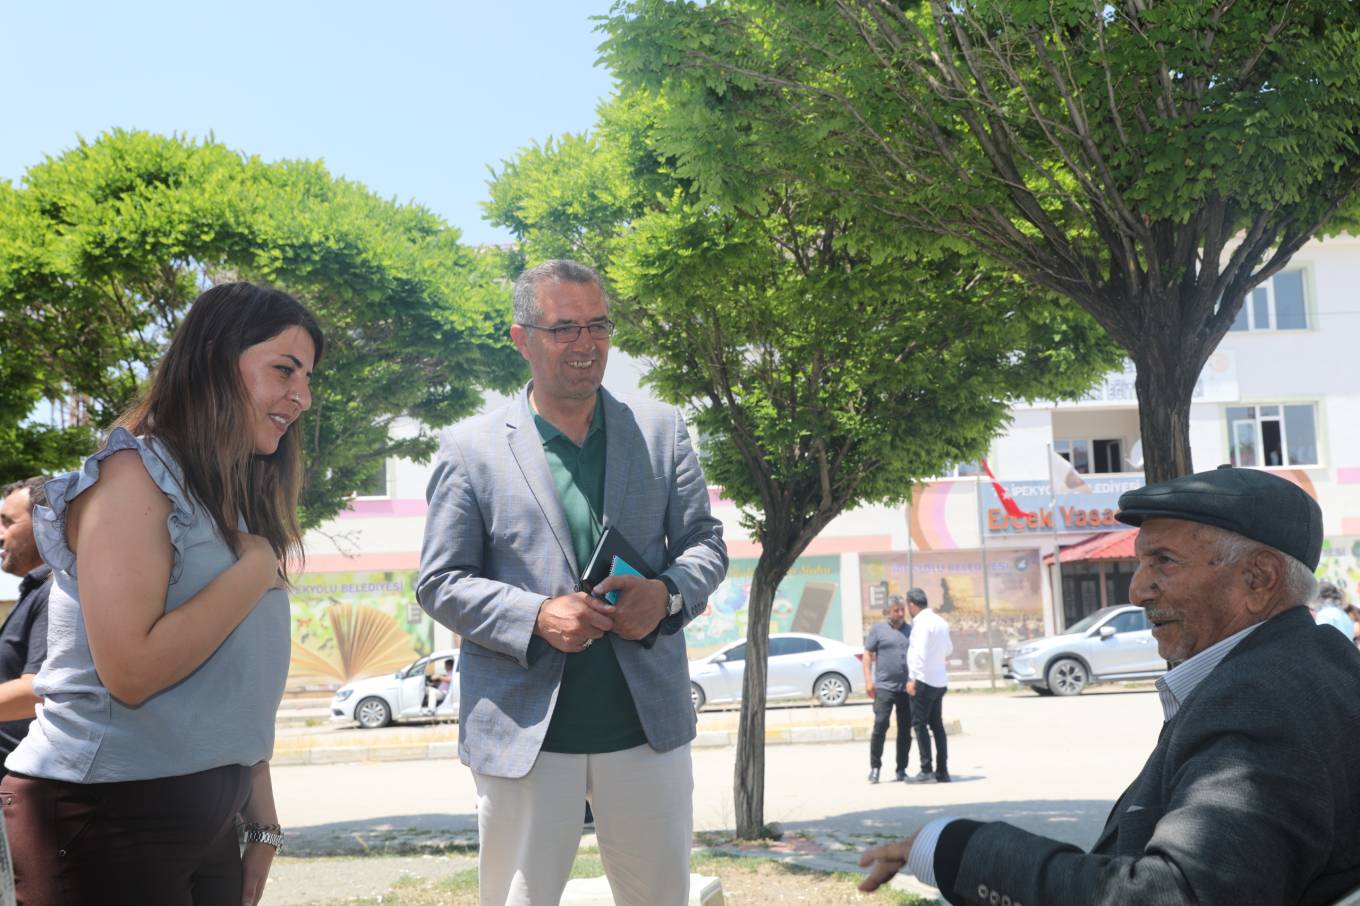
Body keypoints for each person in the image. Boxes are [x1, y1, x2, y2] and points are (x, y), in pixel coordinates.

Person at [858, 466, 1360, 905]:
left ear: (1259, 578)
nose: (1138, 590)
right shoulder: (1308, 667)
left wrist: (958, 851)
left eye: (1164, 561)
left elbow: (1174, 894)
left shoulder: (1261, 699)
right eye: (1141, 563)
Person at [417, 259, 728, 906]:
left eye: (598, 326)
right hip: (523, 734)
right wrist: (536, 615)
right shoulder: (470, 449)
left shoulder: (662, 431)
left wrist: (667, 594)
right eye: (564, 329)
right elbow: (440, 582)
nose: (586, 344)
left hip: (645, 728)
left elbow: (706, 545)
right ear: (521, 339)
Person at [1, 282, 324, 906]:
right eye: (284, 370)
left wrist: (259, 814)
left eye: (307, 378)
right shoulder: (132, 477)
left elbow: (229, 682)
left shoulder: (225, 492)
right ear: (214, 360)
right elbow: (132, 672)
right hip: (106, 811)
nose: (302, 396)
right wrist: (255, 567)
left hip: (205, 809)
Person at [0, 477, 52, 778]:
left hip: (21, 780)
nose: (0, 534)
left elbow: (38, 689)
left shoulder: (55, 592)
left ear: (45, 525)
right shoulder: (35, 591)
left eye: (8, 522)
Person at [904, 586, 953, 784]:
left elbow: (920, 652)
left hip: (924, 681)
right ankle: (942, 771)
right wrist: (937, 657)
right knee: (937, 726)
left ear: (912, 605)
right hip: (939, 680)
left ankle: (926, 770)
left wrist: (912, 679)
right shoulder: (940, 621)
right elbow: (948, 649)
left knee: (919, 724)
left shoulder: (922, 623)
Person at [862, 595, 912, 783]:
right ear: (888, 612)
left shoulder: (911, 631)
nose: (901, 613)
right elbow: (868, 654)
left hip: (906, 687)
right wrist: (869, 681)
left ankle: (901, 769)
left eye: (902, 609)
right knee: (881, 724)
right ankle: (875, 767)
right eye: (896, 610)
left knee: (905, 730)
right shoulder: (878, 630)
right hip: (884, 687)